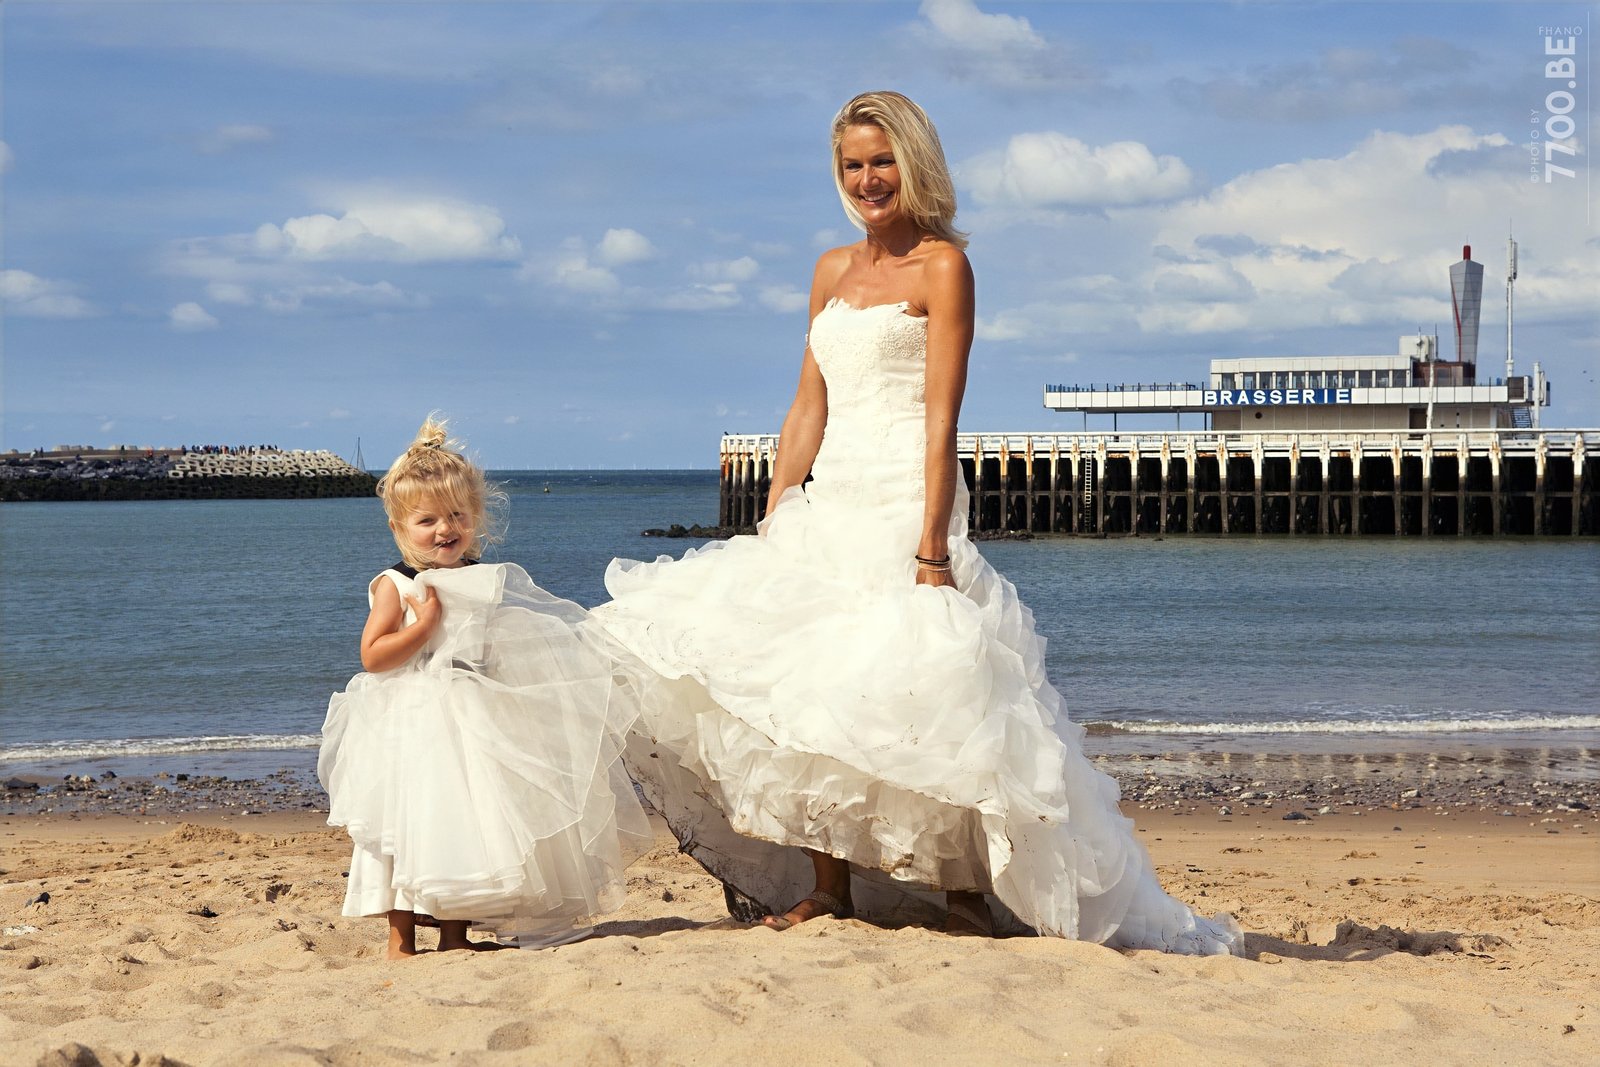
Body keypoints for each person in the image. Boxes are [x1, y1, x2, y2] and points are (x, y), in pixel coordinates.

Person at [591, 91, 1241, 953]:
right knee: (806, 692)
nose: (867, 179)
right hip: (831, 503)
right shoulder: (828, 270)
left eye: (881, 161)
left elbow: (943, 419)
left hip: (906, 497)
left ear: (915, 164)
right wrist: (777, 509)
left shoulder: (944, 268)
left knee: (931, 692)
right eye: (853, 165)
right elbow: (806, 404)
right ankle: (830, 886)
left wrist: (932, 543)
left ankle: (963, 889)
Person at [318, 416, 651, 959]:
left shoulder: (480, 577)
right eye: (427, 520)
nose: (445, 529)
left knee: (465, 824)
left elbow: (496, 646)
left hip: (474, 719)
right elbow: (373, 657)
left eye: (457, 516)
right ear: (400, 528)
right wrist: (422, 626)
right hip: (412, 719)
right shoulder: (397, 585)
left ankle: (455, 933)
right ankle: (400, 939)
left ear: (477, 519)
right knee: (406, 821)